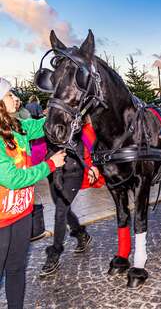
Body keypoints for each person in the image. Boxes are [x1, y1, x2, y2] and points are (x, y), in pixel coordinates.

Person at [0, 77, 66, 309]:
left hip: (21, 213)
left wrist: (61, 107)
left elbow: (41, 126)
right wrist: (49, 165)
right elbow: (12, 179)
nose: (16, 98)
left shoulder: (17, 127)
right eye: (10, 94)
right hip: (0, 219)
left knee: (16, 268)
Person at [40, 117, 104, 276]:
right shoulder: (48, 123)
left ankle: (55, 253)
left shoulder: (77, 122)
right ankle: (82, 234)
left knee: (60, 211)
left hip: (73, 173)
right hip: (53, 172)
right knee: (63, 210)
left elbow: (93, 143)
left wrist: (94, 166)